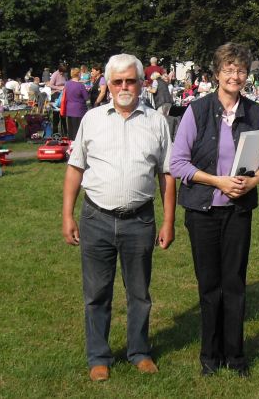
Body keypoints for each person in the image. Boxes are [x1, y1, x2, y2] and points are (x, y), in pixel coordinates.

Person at [61, 53, 175, 382]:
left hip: (139, 221)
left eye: (130, 80)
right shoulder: (92, 120)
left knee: (139, 293)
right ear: (108, 85)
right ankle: (99, 356)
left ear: (142, 83)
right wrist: (67, 214)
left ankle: (139, 351)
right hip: (96, 218)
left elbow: (167, 176)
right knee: (97, 293)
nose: (124, 86)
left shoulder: (156, 122)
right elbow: (75, 169)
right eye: (118, 81)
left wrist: (168, 222)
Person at [170, 42, 259, 377]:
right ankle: (209, 357)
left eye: (241, 70)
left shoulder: (256, 113)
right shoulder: (196, 111)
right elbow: (178, 163)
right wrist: (217, 182)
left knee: (235, 284)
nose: (235, 75)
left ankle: (236, 356)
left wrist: (252, 181)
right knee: (209, 286)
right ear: (216, 74)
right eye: (228, 69)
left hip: (238, 211)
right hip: (203, 212)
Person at [64, 68, 89, 140]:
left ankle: (70, 147)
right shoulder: (80, 86)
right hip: (78, 110)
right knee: (78, 131)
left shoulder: (67, 84)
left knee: (71, 131)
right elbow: (86, 97)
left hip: (69, 109)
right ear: (78, 74)